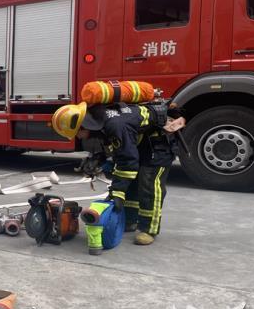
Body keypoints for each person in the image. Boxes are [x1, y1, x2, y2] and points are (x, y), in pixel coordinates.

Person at [51, 100, 186, 246]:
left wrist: (117, 191)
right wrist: (100, 158)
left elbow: (127, 161)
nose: (78, 137)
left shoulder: (115, 124)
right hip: (142, 144)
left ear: (84, 125)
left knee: (149, 185)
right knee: (131, 184)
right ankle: (130, 220)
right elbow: (118, 147)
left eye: (77, 133)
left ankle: (149, 229)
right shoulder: (100, 120)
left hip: (159, 145)